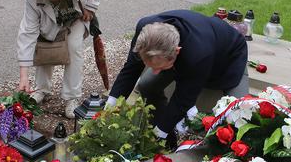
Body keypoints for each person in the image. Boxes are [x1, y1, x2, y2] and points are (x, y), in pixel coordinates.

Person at [107, 10, 249, 148]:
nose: (155, 72)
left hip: (228, 59)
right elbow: (131, 69)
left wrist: (157, 138)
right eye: (150, 66)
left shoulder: (198, 54)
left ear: (176, 52)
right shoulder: (146, 32)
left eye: (159, 68)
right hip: (193, 50)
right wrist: (108, 109)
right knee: (146, 85)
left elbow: (182, 100)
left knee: (239, 114)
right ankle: (167, 136)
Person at [17, 0, 104, 118]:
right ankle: (41, 89)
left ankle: (72, 97)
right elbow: (28, 32)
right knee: (44, 46)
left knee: (74, 47)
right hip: (48, 20)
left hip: (76, 16)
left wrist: (91, 6)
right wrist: (23, 76)